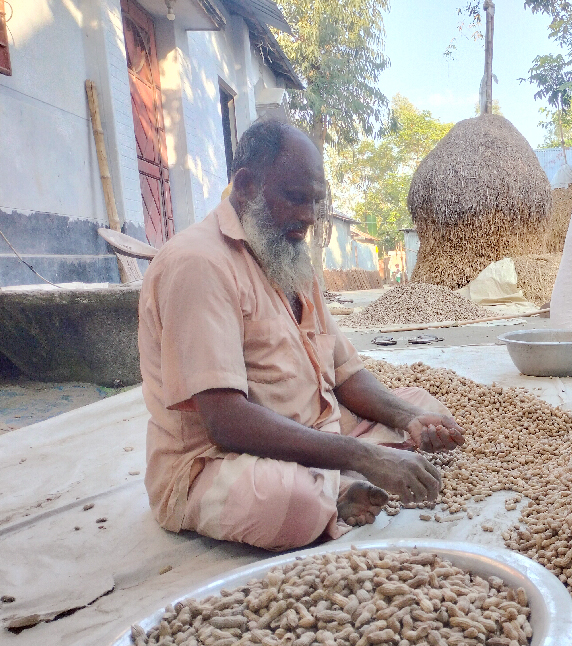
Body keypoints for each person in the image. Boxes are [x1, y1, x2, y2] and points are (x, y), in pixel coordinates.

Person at [138, 119, 464, 551]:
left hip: (317, 431)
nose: (308, 217)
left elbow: (344, 373)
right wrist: (364, 455)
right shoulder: (198, 264)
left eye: (316, 202)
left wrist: (407, 419)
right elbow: (226, 423)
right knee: (293, 502)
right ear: (246, 185)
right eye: (294, 198)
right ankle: (336, 483)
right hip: (221, 460)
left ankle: (340, 481)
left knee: (424, 407)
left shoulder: (289, 258)